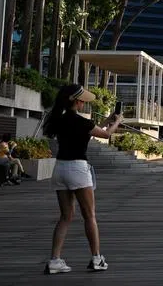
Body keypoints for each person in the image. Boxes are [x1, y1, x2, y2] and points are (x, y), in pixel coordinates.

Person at [43, 84, 122, 274]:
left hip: (60, 168)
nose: (83, 103)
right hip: (78, 169)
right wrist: (117, 121)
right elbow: (105, 134)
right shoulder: (81, 122)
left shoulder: (58, 120)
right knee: (89, 216)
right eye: (82, 100)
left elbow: (90, 130)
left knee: (65, 217)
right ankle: (97, 258)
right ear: (76, 101)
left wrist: (106, 121)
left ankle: (55, 260)